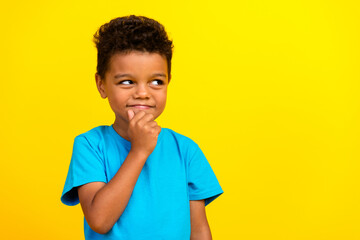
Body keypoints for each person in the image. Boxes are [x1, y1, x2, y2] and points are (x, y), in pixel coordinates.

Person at [61, 15, 223, 240]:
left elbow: (199, 229)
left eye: (156, 81)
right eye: (127, 81)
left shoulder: (185, 150)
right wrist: (139, 151)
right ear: (101, 85)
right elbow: (99, 220)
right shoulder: (90, 145)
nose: (143, 93)